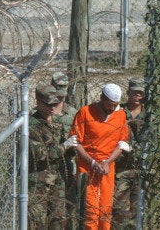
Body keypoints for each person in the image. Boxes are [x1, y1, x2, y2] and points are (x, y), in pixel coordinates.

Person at [67, 83, 130, 230]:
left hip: (107, 168)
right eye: (109, 105)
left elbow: (121, 143)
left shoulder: (120, 115)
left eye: (115, 105)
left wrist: (107, 162)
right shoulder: (85, 113)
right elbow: (76, 142)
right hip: (87, 167)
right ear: (101, 98)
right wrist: (93, 162)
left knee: (106, 209)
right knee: (90, 210)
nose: (112, 109)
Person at [27, 84, 70, 229]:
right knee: (38, 223)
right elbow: (40, 154)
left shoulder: (56, 122)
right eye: (48, 104)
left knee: (58, 222)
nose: (52, 107)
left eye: (55, 103)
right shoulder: (31, 125)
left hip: (57, 181)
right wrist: (65, 146)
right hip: (38, 183)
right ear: (38, 101)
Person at [113, 79, 146, 229]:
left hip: (142, 170)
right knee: (120, 211)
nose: (137, 95)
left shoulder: (149, 115)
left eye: (140, 93)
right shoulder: (118, 112)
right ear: (128, 93)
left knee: (139, 211)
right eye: (134, 92)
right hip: (121, 169)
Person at [50, 72, 79, 229]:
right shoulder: (42, 111)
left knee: (69, 210)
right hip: (47, 166)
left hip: (68, 166)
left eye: (63, 91)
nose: (60, 97)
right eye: (57, 91)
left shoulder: (73, 113)